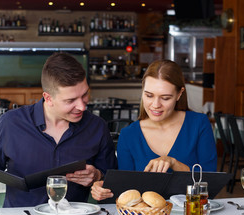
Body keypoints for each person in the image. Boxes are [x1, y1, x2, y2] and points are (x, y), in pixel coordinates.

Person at [0, 52, 117, 207]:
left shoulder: (97, 127)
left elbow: (111, 179)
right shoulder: (12, 123)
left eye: (85, 95)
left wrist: (97, 176)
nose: (82, 106)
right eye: (70, 100)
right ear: (48, 98)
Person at [91, 59, 217, 201]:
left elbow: (210, 185)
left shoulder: (199, 124)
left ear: (179, 94)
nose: (155, 105)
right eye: (149, 95)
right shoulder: (129, 135)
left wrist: (174, 163)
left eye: (165, 98)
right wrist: (104, 188)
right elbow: (126, 191)